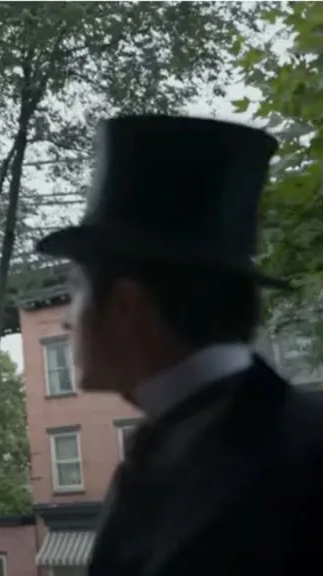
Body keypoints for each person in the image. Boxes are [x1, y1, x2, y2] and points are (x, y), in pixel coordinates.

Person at [34, 114, 323, 576]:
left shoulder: (304, 458)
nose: (69, 319)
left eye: (77, 289)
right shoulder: (165, 448)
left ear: (126, 305)